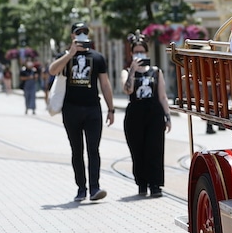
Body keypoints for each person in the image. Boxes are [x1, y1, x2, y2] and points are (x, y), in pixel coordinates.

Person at [48, 22, 115, 203]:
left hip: (93, 109)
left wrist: (111, 108)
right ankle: (81, 188)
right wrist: (70, 54)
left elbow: (105, 84)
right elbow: (52, 70)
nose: (83, 35)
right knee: (76, 150)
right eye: (79, 32)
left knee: (94, 149)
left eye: (85, 32)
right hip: (71, 110)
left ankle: (95, 187)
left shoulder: (98, 57)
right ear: (73, 36)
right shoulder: (65, 56)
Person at [121, 32, 171, 197]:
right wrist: (133, 71)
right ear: (131, 54)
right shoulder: (126, 71)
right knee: (138, 150)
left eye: (142, 51)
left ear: (147, 52)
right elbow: (127, 89)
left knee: (155, 149)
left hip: (154, 113)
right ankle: (141, 183)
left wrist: (167, 116)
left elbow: (162, 96)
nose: (139, 54)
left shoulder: (156, 72)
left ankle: (155, 184)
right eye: (136, 52)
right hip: (135, 114)